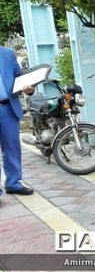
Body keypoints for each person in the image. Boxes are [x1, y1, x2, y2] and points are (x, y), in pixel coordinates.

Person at [0, 46, 34, 201]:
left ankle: (14, 183)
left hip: (8, 107)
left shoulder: (7, 54)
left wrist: (29, 89)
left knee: (12, 147)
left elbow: (19, 78)